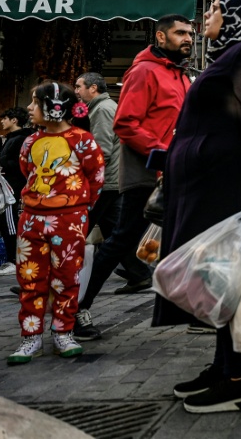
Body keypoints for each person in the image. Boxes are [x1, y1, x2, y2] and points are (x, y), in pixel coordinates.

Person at [154, 0, 241, 414]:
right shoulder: (228, 56)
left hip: (227, 187)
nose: (208, 14)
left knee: (226, 280)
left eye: (215, 8)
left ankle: (240, 378)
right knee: (218, 280)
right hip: (209, 185)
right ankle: (225, 366)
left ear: (236, 17)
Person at [74, 15, 194, 340]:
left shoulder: (181, 75)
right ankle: (78, 309)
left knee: (189, 237)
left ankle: (196, 309)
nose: (188, 38)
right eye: (180, 32)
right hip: (147, 174)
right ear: (160, 36)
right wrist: (162, 156)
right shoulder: (144, 71)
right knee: (121, 241)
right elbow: (125, 124)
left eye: (190, 33)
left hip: (175, 172)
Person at [7, 81, 104, 364]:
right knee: (29, 278)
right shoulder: (29, 141)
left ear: (53, 108)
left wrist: (78, 208)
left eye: (35, 103)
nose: (30, 108)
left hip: (70, 218)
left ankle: (63, 331)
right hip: (31, 219)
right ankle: (30, 337)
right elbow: (28, 171)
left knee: (66, 279)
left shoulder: (83, 140)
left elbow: (95, 179)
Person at [71, 72, 154, 340]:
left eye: (79, 86)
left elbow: (102, 148)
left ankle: (66, 285)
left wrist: (84, 172)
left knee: (79, 231)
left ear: (93, 88)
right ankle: (138, 272)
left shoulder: (104, 109)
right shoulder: (102, 107)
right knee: (118, 232)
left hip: (105, 182)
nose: (76, 91)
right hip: (112, 181)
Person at [0, 108, 36, 279]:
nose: (2, 121)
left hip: (12, 188)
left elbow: (18, 164)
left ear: (15, 120)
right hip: (10, 186)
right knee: (8, 222)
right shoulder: (14, 138)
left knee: (9, 223)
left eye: (6, 118)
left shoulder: (20, 139)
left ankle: (13, 259)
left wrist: (3, 164)